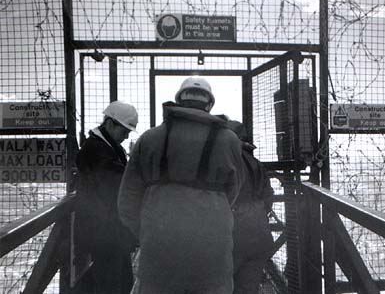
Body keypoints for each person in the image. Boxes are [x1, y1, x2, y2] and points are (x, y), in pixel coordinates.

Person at [118, 77, 245, 294]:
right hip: (212, 251)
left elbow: (127, 200)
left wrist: (147, 231)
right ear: (209, 104)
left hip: (159, 251)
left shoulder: (149, 138)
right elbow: (234, 190)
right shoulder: (230, 140)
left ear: (178, 101)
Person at [75, 100, 139, 294]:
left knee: (117, 282)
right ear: (110, 123)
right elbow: (117, 184)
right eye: (125, 130)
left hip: (107, 232)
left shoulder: (102, 147)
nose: (127, 135)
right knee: (113, 284)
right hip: (105, 233)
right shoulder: (97, 150)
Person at [225, 120, 275, 294]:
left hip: (233, 235)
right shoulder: (256, 163)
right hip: (259, 235)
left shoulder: (226, 161)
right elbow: (268, 197)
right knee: (248, 288)